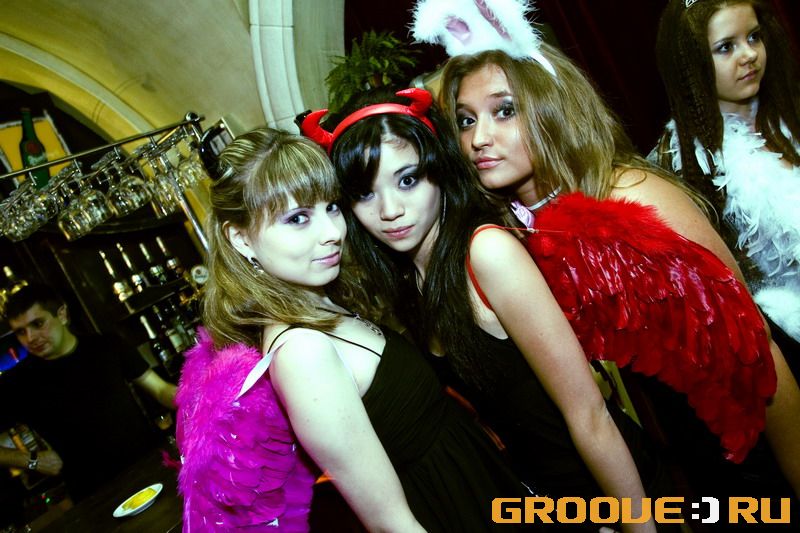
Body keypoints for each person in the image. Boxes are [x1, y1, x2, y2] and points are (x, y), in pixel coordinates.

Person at [436, 42, 800, 514]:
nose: (479, 138)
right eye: (466, 120)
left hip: (750, 441)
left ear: (553, 107)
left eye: (505, 111)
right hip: (680, 454)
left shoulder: (632, 198)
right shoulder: (519, 230)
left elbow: (758, 348)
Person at [304, 88, 660, 533]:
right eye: (365, 193)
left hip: (612, 494)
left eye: (408, 180)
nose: (390, 210)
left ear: (439, 170)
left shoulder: (486, 253)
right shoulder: (410, 279)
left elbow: (590, 415)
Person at [175, 127, 530, 532]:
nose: (333, 233)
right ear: (241, 239)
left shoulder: (318, 303)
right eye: (298, 219)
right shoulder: (302, 353)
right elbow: (391, 524)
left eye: (330, 207)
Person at [651, 0, 800, 369]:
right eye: (726, 47)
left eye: (754, 37)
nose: (748, 55)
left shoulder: (790, 111)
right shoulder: (687, 164)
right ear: (691, 64)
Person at [0, 283, 176, 501]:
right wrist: (32, 460)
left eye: (37, 324)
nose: (30, 337)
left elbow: (160, 390)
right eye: (21, 332)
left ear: (62, 315)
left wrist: (205, 400)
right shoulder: (18, 382)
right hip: (93, 495)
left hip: (151, 465)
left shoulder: (106, 345)